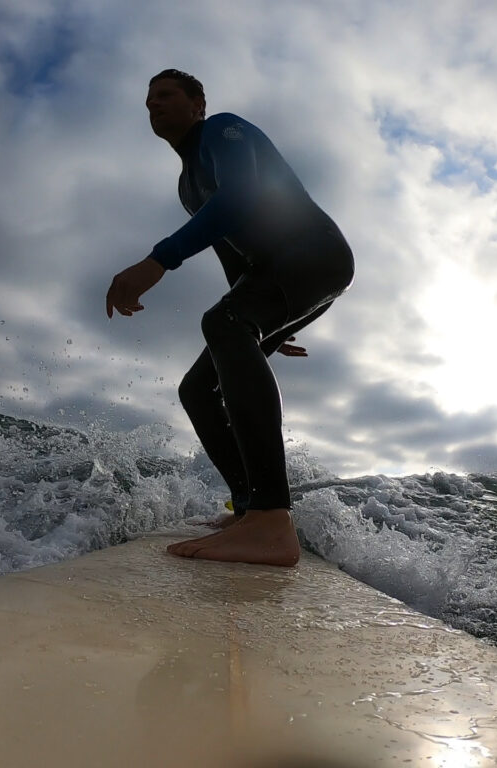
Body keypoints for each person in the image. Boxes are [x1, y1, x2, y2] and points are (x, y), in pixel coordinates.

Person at [105, 70, 354, 567]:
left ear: (198, 103)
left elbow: (239, 198)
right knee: (197, 387)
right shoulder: (186, 185)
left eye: (166, 95)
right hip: (274, 277)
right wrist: (262, 317)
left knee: (224, 325)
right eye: (148, 100)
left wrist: (158, 260)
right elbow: (234, 258)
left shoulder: (221, 131)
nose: (154, 105)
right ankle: (248, 510)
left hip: (316, 255)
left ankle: (269, 518)